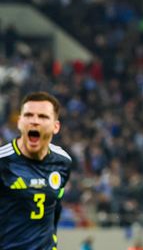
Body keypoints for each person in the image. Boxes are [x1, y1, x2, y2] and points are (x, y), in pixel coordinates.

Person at [0, 91, 73, 250]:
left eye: (43, 116)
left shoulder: (63, 162)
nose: (34, 121)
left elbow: (55, 206)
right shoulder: (3, 162)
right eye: (29, 115)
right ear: (19, 122)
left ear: (56, 126)